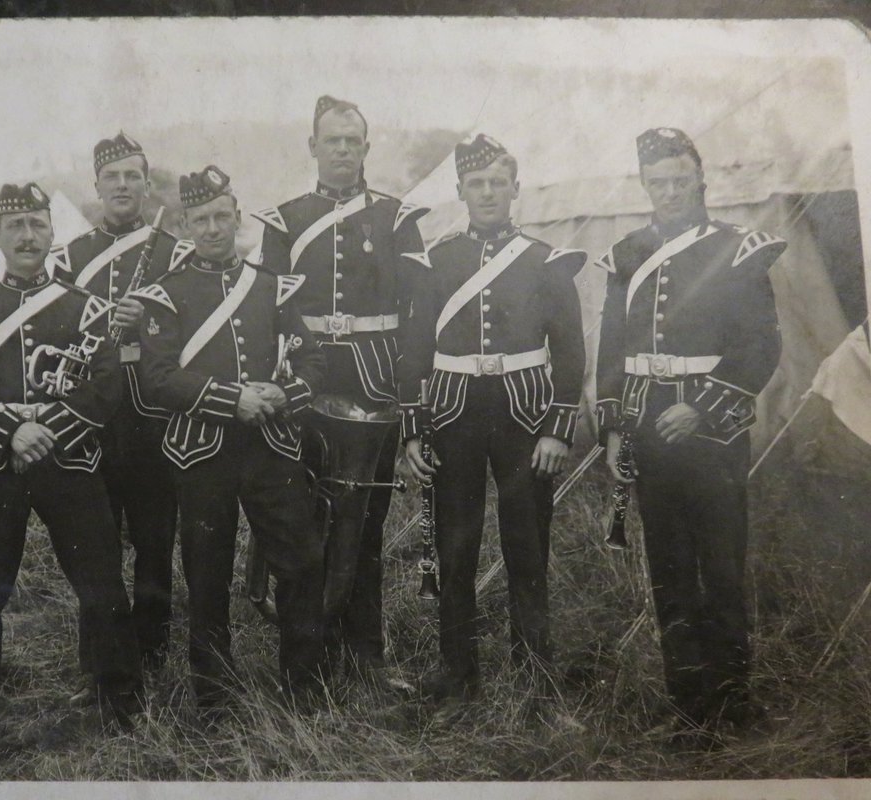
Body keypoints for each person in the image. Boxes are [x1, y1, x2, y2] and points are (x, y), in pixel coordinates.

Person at [0, 182, 143, 765]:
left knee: (101, 586)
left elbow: (107, 384)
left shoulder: (85, 308)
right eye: (15, 225)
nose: (27, 236)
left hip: (70, 460)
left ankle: (122, 709)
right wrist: (12, 432)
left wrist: (47, 431)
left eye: (37, 225)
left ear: (52, 235)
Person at [595, 127, 784, 735]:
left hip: (712, 433)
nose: (670, 191)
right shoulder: (627, 252)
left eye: (680, 179)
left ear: (701, 178)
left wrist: (702, 405)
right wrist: (616, 429)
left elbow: (761, 344)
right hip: (648, 426)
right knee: (668, 567)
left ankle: (733, 702)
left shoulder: (738, 247)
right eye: (658, 182)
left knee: (720, 567)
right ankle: (686, 701)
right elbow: (611, 350)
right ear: (644, 185)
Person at [398, 134, 586, 718]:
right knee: (456, 548)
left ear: (514, 190)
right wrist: (410, 430)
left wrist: (558, 427)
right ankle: (458, 676)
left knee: (527, 544)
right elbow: (413, 348)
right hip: (452, 417)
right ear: (460, 191)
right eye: (476, 184)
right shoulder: (436, 261)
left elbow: (572, 351)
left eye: (497, 183)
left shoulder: (546, 261)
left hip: (526, 418)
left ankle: (535, 678)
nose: (486, 193)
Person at [136, 165, 326, 721]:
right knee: (206, 575)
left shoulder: (271, 285)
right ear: (186, 224)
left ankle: (303, 689)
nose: (214, 228)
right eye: (201, 219)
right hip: (200, 452)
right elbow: (159, 378)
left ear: (238, 217)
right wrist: (230, 399)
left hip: (271, 448)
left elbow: (312, 362)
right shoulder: (166, 295)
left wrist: (283, 391)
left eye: (223, 216)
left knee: (302, 562)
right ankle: (214, 698)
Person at [253, 95, 426, 691]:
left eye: (354, 141)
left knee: (366, 529)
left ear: (367, 148)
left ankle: (366, 660)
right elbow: (268, 309)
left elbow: (417, 314)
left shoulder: (398, 218)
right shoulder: (285, 220)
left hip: (376, 383)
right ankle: (309, 660)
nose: (344, 151)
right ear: (313, 148)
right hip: (308, 383)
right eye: (333, 141)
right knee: (306, 527)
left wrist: (410, 398)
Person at [48, 133, 180, 692]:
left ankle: (151, 655)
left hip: (152, 414)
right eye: (112, 178)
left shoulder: (175, 252)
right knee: (94, 543)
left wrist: (146, 320)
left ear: (148, 185)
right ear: (96, 187)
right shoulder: (69, 257)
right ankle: (100, 660)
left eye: (133, 176)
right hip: (91, 417)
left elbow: (190, 334)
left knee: (154, 539)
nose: (122, 186)